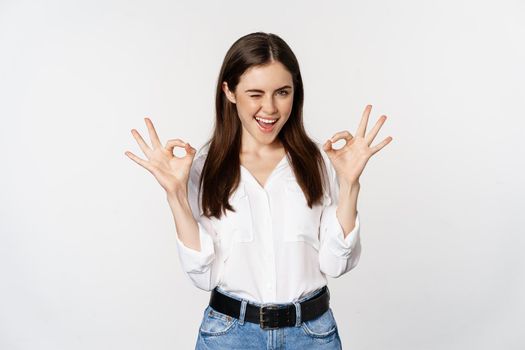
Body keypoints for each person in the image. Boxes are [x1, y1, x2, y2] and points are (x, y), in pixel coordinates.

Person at [125, 32, 392, 349]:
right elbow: (203, 276)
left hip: (311, 336)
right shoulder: (201, 168)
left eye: (282, 92)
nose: (270, 108)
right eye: (255, 94)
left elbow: (336, 264)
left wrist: (350, 184)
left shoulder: (320, 161)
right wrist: (175, 195)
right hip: (230, 336)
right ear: (229, 91)